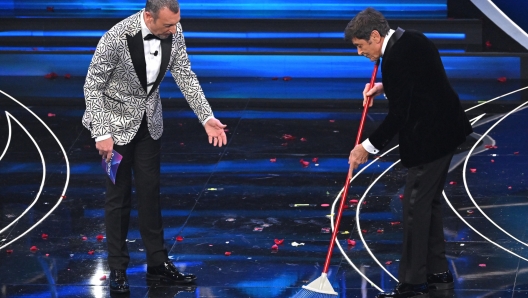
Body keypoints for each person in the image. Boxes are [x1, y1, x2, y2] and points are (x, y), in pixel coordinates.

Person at [82, 0, 227, 293]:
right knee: (118, 198)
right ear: (148, 16)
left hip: (150, 125)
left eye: (176, 24)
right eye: (168, 25)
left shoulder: (173, 30)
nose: (174, 30)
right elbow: (93, 85)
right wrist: (101, 132)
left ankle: (158, 265)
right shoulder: (116, 37)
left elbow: (185, 74)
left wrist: (206, 116)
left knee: (150, 193)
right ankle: (118, 270)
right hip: (114, 128)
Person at [345, 7, 472, 298]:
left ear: (375, 36)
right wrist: (385, 85)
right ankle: (437, 273)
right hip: (444, 132)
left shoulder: (398, 57)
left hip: (431, 140)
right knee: (428, 206)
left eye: (360, 46)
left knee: (415, 208)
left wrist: (367, 147)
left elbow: (401, 114)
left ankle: (412, 285)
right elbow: (419, 82)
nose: (360, 53)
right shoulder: (411, 40)